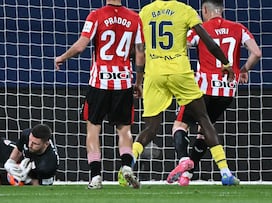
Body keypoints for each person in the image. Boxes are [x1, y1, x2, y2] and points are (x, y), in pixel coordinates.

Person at [130, 0, 239, 186]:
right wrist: (226, 63)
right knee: (203, 119)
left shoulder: (145, 11)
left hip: (154, 73)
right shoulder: (185, 10)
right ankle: (225, 171)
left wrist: (138, 80)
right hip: (180, 72)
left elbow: (139, 48)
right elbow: (208, 41)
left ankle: (128, 165)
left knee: (151, 127)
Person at [170, 0, 262, 186]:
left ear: (205, 10)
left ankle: (183, 161)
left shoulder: (200, 29)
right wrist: (244, 69)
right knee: (205, 130)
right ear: (222, 10)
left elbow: (182, 46)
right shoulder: (238, 28)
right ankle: (190, 175)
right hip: (228, 90)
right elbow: (257, 53)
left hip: (204, 89)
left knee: (179, 125)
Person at [54, 0, 145, 189]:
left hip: (99, 82)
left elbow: (81, 46)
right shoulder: (135, 18)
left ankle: (96, 177)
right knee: (124, 129)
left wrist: (62, 57)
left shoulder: (96, 15)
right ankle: (127, 167)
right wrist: (138, 82)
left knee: (93, 129)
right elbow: (140, 53)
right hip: (123, 82)